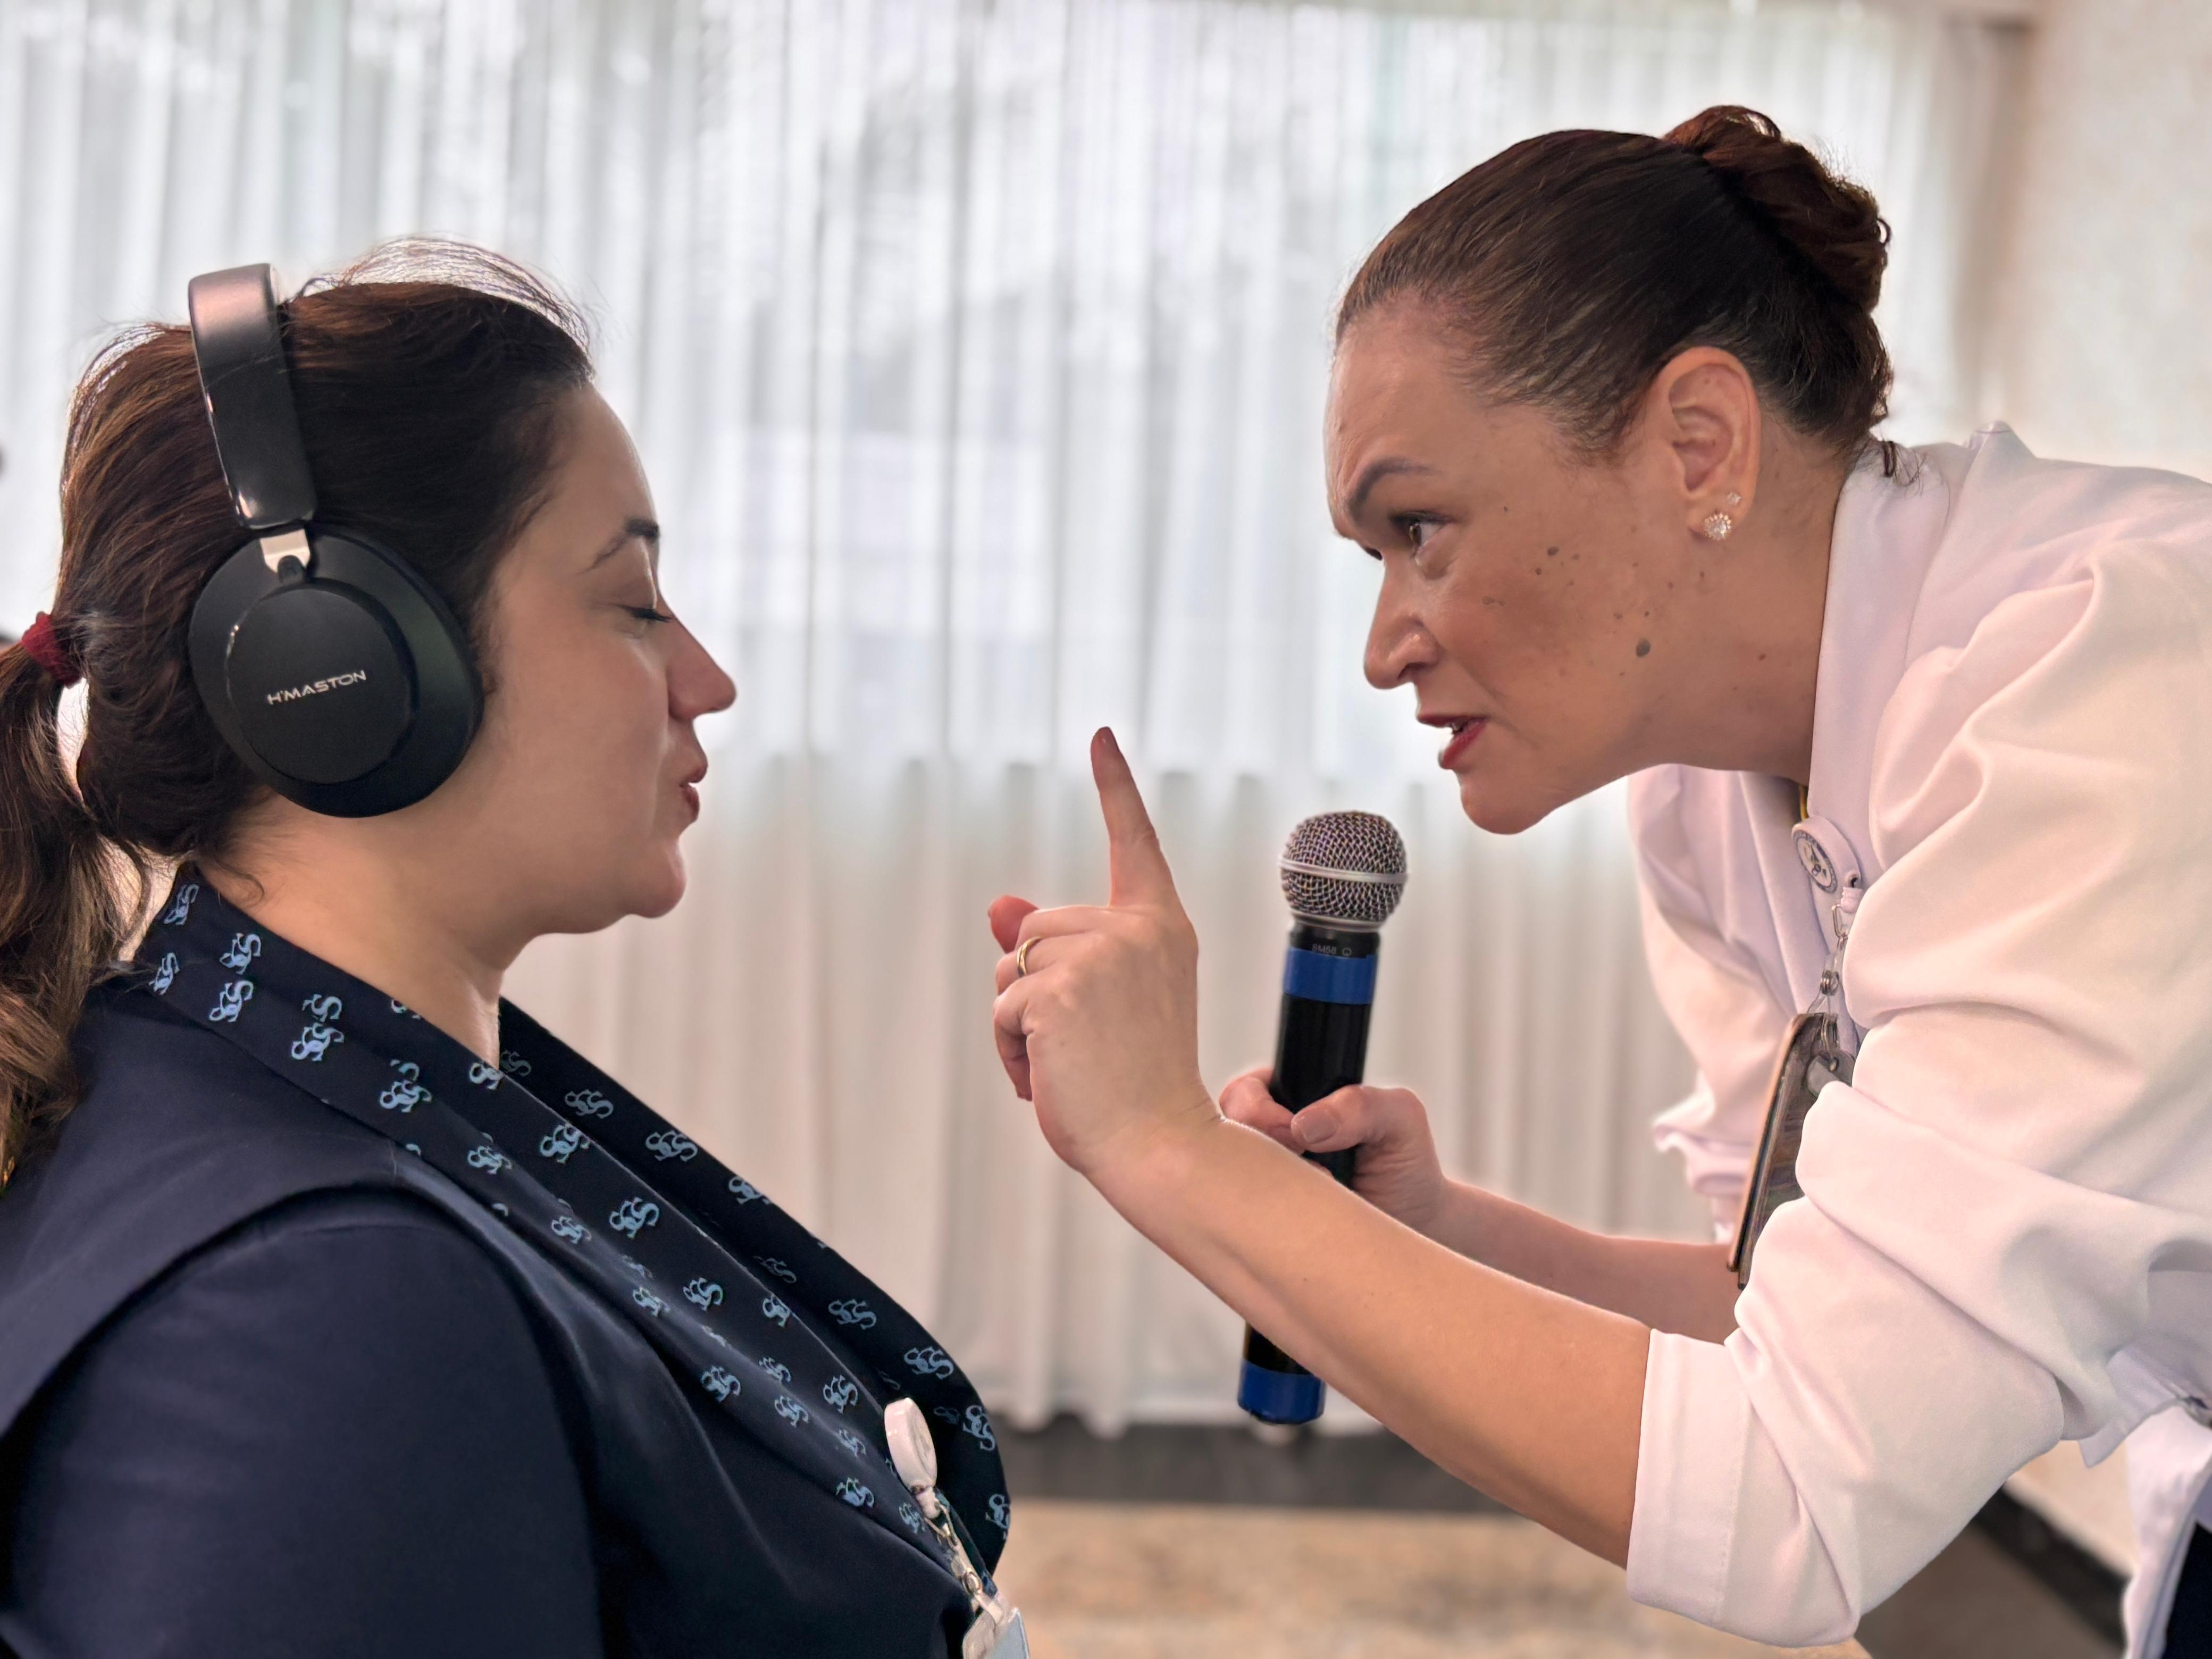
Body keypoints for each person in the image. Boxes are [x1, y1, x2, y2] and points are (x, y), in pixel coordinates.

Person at [985, 106, 2212, 1656]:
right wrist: (1435, 1231)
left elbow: (1791, 1502)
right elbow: (1781, 1306)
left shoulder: (2106, 684)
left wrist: (1168, 1150)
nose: (1383, 644)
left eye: (1420, 528)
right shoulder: (1705, 799)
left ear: (1699, 444)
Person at [0, 243, 1009, 1657]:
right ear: (334, 673)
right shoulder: (331, 1312)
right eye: (635, 602)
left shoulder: (250, 1096)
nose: (708, 681)